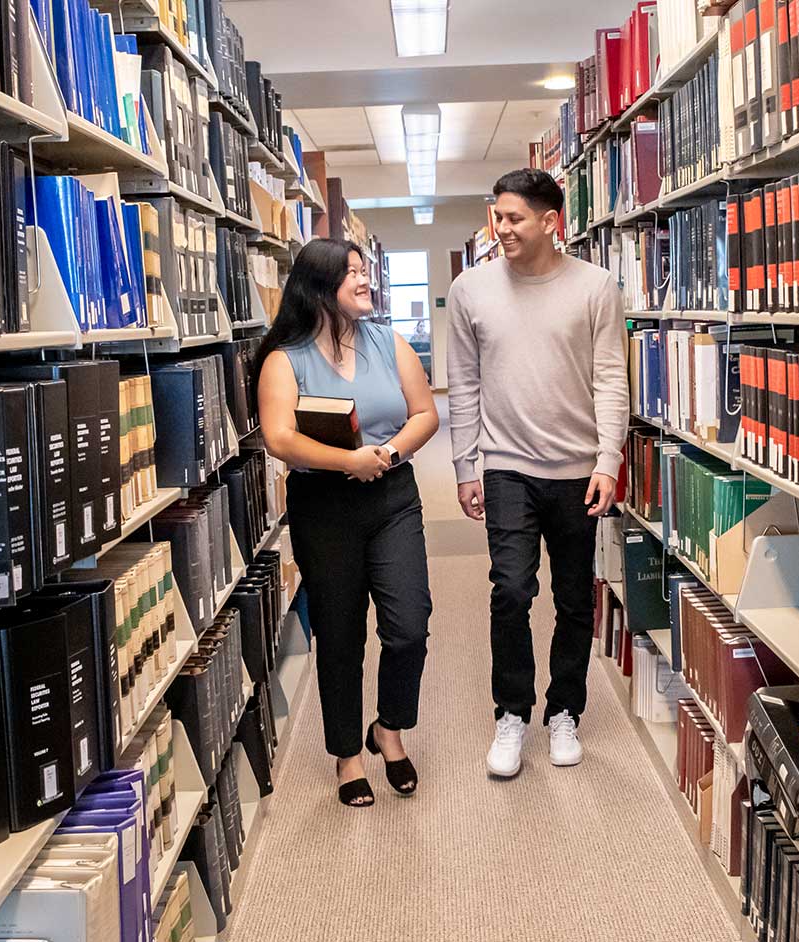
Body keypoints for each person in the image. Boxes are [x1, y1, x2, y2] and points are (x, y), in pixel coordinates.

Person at [445, 169, 628, 778]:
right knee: (512, 591)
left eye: (515, 218)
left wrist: (609, 459)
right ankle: (512, 713)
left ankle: (564, 711)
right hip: (506, 467)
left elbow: (610, 379)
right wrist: (465, 464)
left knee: (576, 599)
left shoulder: (597, 287)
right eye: (497, 216)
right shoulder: (471, 290)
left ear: (552, 222)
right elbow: (464, 383)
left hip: (577, 469)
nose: (502, 228)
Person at [255, 238, 440, 807]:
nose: (365, 281)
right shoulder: (284, 359)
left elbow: (426, 413)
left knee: (409, 624)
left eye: (365, 271)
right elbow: (280, 437)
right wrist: (347, 461)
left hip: (392, 497)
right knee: (340, 636)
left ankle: (388, 726)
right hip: (324, 506)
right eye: (352, 273)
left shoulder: (390, 342)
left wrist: (384, 456)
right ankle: (347, 756)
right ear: (318, 286)